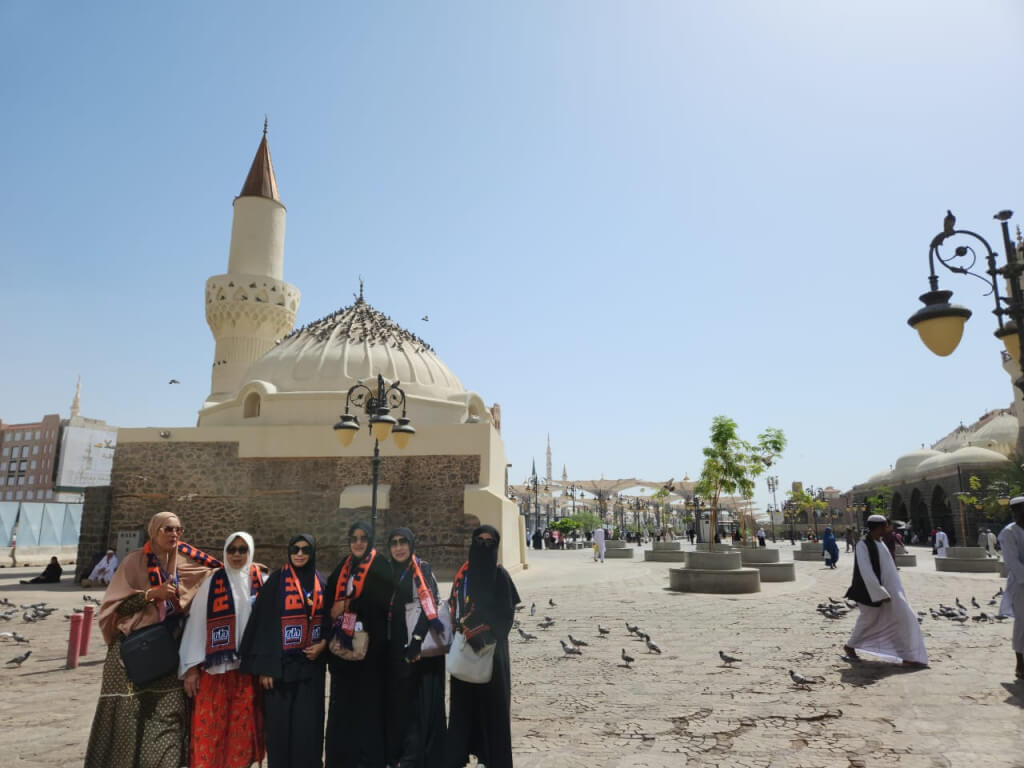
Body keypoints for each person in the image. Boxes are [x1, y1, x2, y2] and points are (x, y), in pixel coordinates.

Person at [85, 511, 221, 768]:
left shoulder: (186, 560)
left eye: (178, 529)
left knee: (168, 720)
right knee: (126, 722)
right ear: (154, 531)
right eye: (168, 529)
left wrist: (249, 569)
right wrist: (150, 594)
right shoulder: (133, 563)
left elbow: (218, 571)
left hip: (167, 653)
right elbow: (115, 609)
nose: (174, 534)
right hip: (131, 653)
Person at [239, 534, 327, 768]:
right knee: (279, 732)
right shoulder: (276, 581)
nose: (299, 554)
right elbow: (263, 626)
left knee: (307, 731)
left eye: (305, 550)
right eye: (295, 549)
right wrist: (266, 668)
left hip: (310, 670)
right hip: (279, 672)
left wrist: (324, 644)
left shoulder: (320, 581)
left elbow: (328, 622)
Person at [179, 531, 265, 768]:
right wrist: (191, 669)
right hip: (214, 672)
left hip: (247, 672)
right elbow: (196, 626)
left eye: (242, 550)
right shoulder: (211, 583)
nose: (236, 555)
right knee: (209, 731)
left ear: (250, 552)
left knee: (241, 734)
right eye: (232, 550)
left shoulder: (261, 582)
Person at [444, 525, 519, 768]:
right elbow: (454, 604)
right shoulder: (463, 574)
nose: (484, 546)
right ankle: (460, 755)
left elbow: (506, 617)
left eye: (490, 542)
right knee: (464, 709)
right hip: (465, 652)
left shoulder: (500, 576)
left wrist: (480, 637)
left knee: (492, 711)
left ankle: (491, 759)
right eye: (480, 541)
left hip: (492, 655)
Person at [324, 521, 393, 768]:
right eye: (354, 538)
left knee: (369, 709)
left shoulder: (380, 565)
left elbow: (384, 604)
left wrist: (351, 606)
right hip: (344, 655)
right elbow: (328, 603)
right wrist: (338, 609)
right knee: (343, 709)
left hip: (370, 655)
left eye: (363, 538)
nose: (358, 543)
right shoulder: (342, 567)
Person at [384, 527, 446, 767]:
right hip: (393, 648)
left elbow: (427, 606)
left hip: (414, 649)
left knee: (414, 704)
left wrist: (417, 642)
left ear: (411, 544)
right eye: (394, 543)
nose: (399, 547)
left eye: (403, 542)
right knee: (398, 702)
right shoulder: (390, 569)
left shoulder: (422, 568)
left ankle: (413, 757)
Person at [843, 515, 928, 666]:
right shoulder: (863, 545)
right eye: (886, 526)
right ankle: (850, 646)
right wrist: (880, 593)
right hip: (871, 593)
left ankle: (908, 656)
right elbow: (866, 571)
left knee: (902, 619)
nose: (889, 529)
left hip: (892, 592)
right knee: (868, 620)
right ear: (879, 527)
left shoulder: (880, 543)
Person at [997, 497, 1024, 679]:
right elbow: (1012, 562)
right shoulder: (1008, 533)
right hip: (1020, 584)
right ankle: (1020, 664)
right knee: (1022, 624)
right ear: (1016, 512)